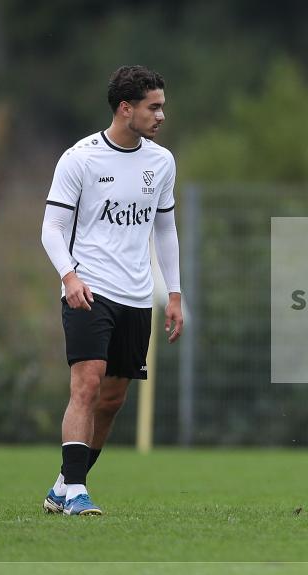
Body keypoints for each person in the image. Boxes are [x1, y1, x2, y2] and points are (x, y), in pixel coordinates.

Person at [40, 65, 183, 516]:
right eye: (153, 107)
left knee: (113, 399)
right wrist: (69, 276)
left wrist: (174, 293)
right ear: (125, 108)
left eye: (162, 106)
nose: (161, 116)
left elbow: (165, 229)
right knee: (87, 384)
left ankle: (63, 484)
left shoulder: (162, 162)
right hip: (89, 288)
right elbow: (51, 228)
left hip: (137, 295)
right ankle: (77, 492)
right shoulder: (80, 158)